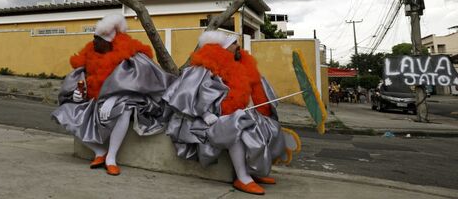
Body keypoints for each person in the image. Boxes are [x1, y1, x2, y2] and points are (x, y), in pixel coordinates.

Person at [163, 31, 295, 195]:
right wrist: (205, 114)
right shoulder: (204, 68)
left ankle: (254, 171)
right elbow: (189, 93)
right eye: (233, 43)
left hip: (233, 114)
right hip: (203, 119)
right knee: (236, 127)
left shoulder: (239, 66)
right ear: (223, 48)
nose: (238, 46)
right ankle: (243, 177)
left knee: (268, 126)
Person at [52, 14, 173, 176]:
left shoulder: (130, 58)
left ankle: (111, 157)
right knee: (63, 113)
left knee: (125, 109)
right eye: (94, 37)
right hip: (93, 101)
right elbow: (80, 80)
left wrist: (114, 97)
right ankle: (100, 152)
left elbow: (136, 84)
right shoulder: (89, 54)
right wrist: (76, 93)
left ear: (109, 42)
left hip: (124, 100)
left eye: (98, 39)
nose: (94, 42)